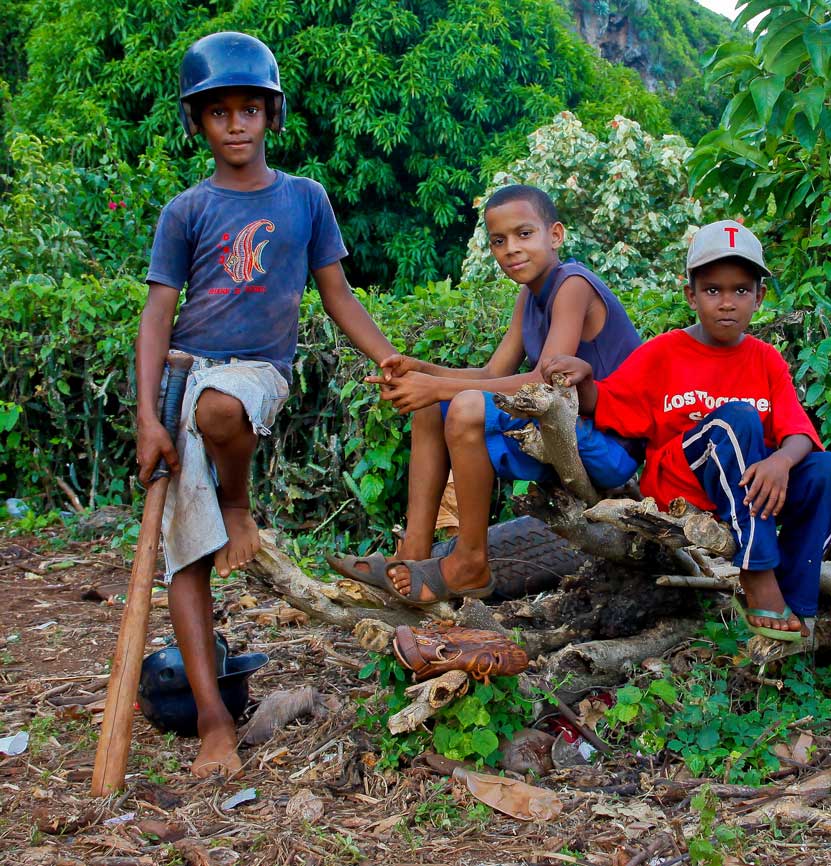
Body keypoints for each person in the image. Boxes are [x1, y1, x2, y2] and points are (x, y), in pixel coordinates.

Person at [135, 32, 398, 777]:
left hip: (256, 373)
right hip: (184, 376)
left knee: (224, 410)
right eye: (220, 113)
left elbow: (337, 294)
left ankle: (238, 502)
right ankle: (215, 719)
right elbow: (158, 316)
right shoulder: (185, 210)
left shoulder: (304, 198)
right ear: (200, 125)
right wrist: (149, 417)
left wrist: (386, 358)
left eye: (250, 108)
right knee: (185, 555)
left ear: (271, 114)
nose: (237, 123)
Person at [541, 220, 831, 647]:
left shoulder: (765, 360)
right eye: (713, 290)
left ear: (759, 297)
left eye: (741, 290)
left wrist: (781, 461)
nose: (727, 303)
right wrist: (587, 379)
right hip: (684, 484)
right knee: (737, 418)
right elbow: (611, 405)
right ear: (691, 294)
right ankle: (758, 572)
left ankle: (797, 599)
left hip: (751, 492)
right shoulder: (664, 352)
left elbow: (798, 431)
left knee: (830, 470)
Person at [328, 184, 641, 603]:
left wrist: (438, 386)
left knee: (463, 404)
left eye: (524, 234)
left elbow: (546, 386)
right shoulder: (528, 298)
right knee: (433, 408)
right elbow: (494, 372)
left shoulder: (574, 285)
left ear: (556, 235)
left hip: (611, 447)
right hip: (566, 434)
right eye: (498, 241)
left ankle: (470, 563)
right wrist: (423, 371)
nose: (511, 248)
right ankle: (415, 551)